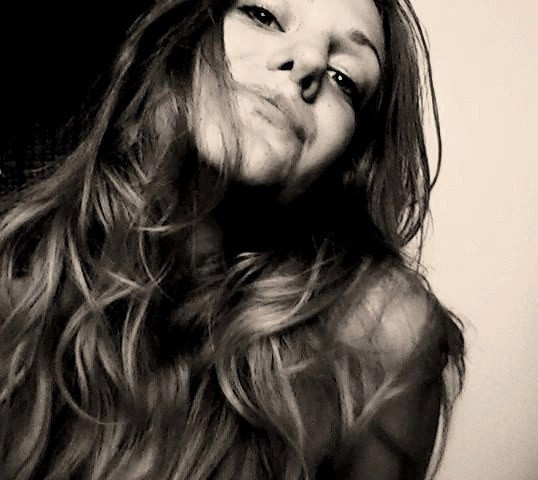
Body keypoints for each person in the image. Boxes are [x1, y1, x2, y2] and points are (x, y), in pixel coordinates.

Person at [0, 0, 465, 478]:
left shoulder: (380, 342)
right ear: (183, 40)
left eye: (344, 78)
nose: (308, 61)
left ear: (344, 163)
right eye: (263, 15)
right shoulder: (19, 301)